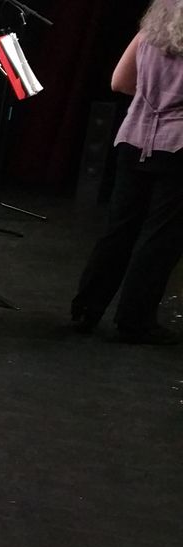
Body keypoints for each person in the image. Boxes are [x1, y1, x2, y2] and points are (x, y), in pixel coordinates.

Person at [71, 1, 183, 344]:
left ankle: (86, 308)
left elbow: (119, 82)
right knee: (160, 237)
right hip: (177, 146)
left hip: (134, 137)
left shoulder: (150, 31)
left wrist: (152, 98)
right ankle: (134, 321)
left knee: (118, 228)